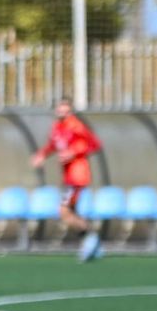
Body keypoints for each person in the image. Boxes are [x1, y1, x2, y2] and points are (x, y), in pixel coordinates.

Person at [31, 97, 103, 261]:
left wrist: (73, 152)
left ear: (70, 111)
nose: (62, 112)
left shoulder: (75, 125)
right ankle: (90, 244)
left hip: (78, 175)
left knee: (63, 212)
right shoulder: (57, 127)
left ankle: (92, 239)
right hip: (68, 176)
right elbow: (53, 145)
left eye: (66, 109)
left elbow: (94, 144)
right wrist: (41, 155)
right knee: (72, 212)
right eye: (60, 108)